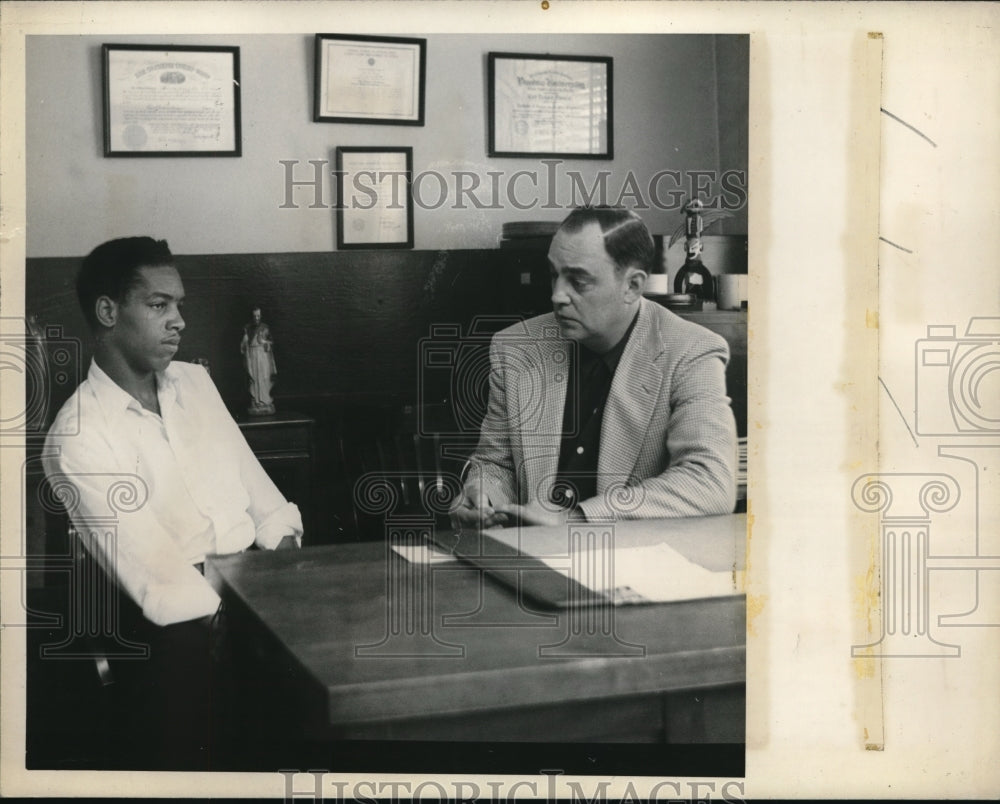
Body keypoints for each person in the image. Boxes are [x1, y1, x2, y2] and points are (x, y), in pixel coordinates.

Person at [42, 236, 302, 768]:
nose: (179, 320)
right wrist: (261, 615)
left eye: (179, 304)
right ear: (108, 311)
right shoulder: (78, 436)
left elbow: (267, 505)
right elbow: (161, 581)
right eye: (159, 305)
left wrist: (287, 568)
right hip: (179, 631)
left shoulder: (195, 383)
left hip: (261, 590)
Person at [451, 206, 737, 529]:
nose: (557, 295)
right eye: (553, 275)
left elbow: (710, 482)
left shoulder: (690, 351)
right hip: (535, 561)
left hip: (633, 563)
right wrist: (481, 493)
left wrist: (576, 518)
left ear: (632, 286)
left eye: (579, 281)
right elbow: (494, 462)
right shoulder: (516, 348)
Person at [240, 306, 277, 415]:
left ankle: (265, 401)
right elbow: (244, 345)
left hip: (263, 356)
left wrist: (266, 343)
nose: (256, 318)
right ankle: (256, 401)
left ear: (261, 316)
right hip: (252, 355)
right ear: (252, 316)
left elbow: (271, 342)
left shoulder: (265, 327)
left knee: (264, 376)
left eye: (258, 316)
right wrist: (245, 343)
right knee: (254, 377)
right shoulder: (247, 328)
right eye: (254, 316)